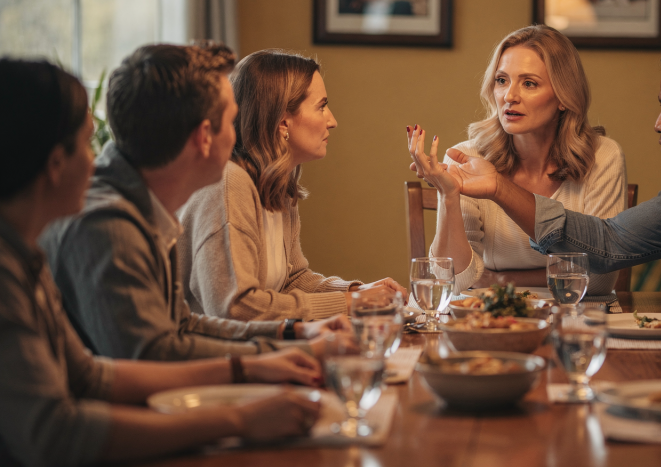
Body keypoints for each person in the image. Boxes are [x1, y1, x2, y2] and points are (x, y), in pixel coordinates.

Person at [0, 58, 326, 467]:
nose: (95, 159)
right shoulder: (105, 227)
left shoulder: (28, 254)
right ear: (55, 164)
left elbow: (92, 374)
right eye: (86, 144)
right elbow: (56, 432)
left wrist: (270, 353)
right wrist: (239, 417)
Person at [421, 38, 661, 310]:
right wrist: (498, 187)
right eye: (502, 80)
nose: (658, 124)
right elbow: (607, 243)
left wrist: (497, 278)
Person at [42, 43, 352, 361]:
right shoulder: (112, 227)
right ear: (204, 137)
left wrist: (291, 333)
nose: (239, 134)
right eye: (232, 120)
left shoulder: (149, 209)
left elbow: (181, 325)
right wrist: (269, 359)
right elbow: (152, 357)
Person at [179, 49, 407, 321]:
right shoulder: (229, 183)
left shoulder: (276, 181)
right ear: (282, 122)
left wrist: (357, 291)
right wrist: (350, 302)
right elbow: (237, 307)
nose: (332, 121)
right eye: (321, 106)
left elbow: (291, 281)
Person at [407, 25, 627, 295]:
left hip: (572, 313)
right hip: (492, 315)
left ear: (563, 96)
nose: (509, 96)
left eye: (529, 83)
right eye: (501, 80)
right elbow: (454, 281)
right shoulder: (466, 159)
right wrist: (448, 195)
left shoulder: (602, 156)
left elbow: (599, 279)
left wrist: (500, 279)